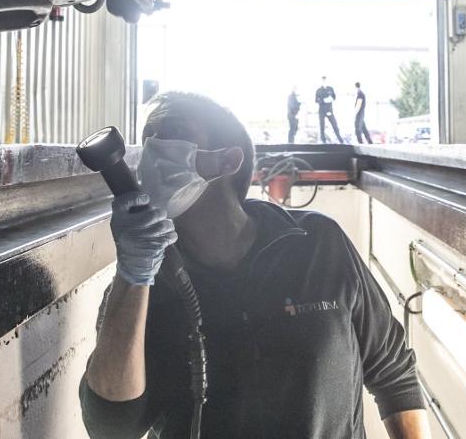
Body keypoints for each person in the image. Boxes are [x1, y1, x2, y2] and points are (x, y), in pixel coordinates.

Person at [80, 92, 429, 439]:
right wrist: (134, 274)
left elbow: (394, 374)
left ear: (228, 161)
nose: (155, 149)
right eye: (148, 140)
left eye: (172, 130)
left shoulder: (318, 242)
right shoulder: (138, 289)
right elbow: (111, 427)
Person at [314, 76, 344, 143]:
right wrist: (324, 100)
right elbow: (316, 100)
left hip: (329, 110)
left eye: (325, 80)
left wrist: (331, 99)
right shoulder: (318, 90)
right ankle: (323, 140)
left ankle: (340, 139)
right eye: (323, 80)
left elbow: (334, 97)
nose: (324, 82)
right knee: (322, 126)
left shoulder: (330, 89)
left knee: (334, 124)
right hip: (321, 111)